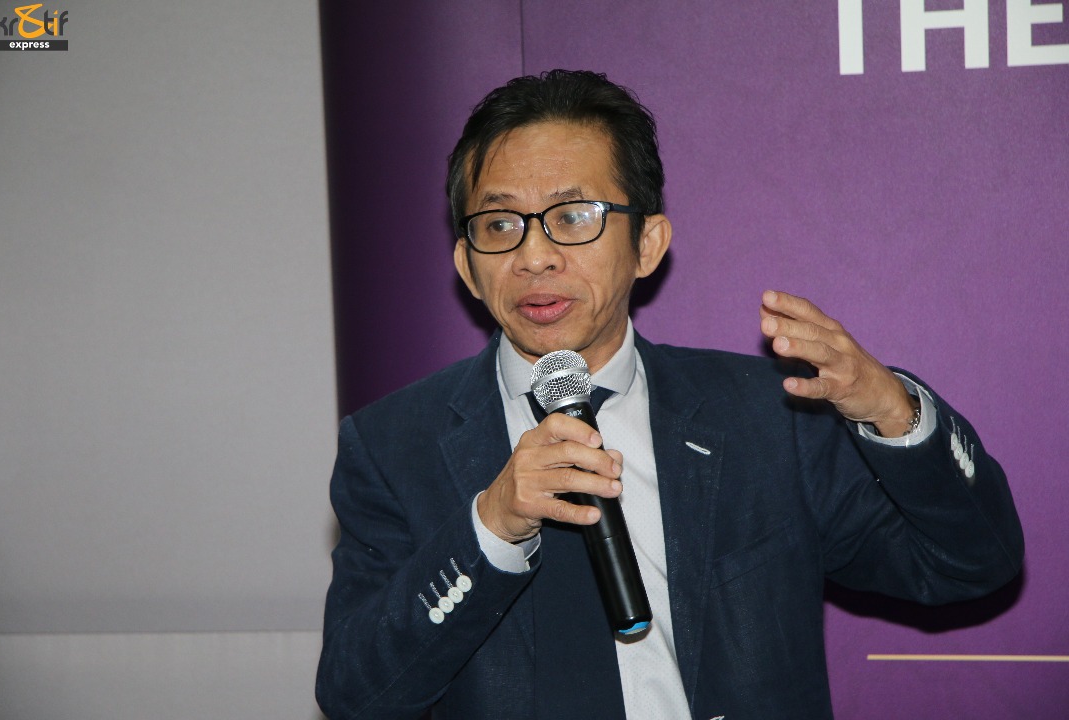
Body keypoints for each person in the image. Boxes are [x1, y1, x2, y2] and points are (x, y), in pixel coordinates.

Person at [316, 70, 1023, 720]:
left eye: (573, 216)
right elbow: (355, 694)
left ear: (648, 244)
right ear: (468, 267)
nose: (534, 256)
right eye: (499, 225)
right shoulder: (391, 447)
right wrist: (490, 528)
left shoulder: (767, 419)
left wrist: (892, 411)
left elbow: (972, 563)